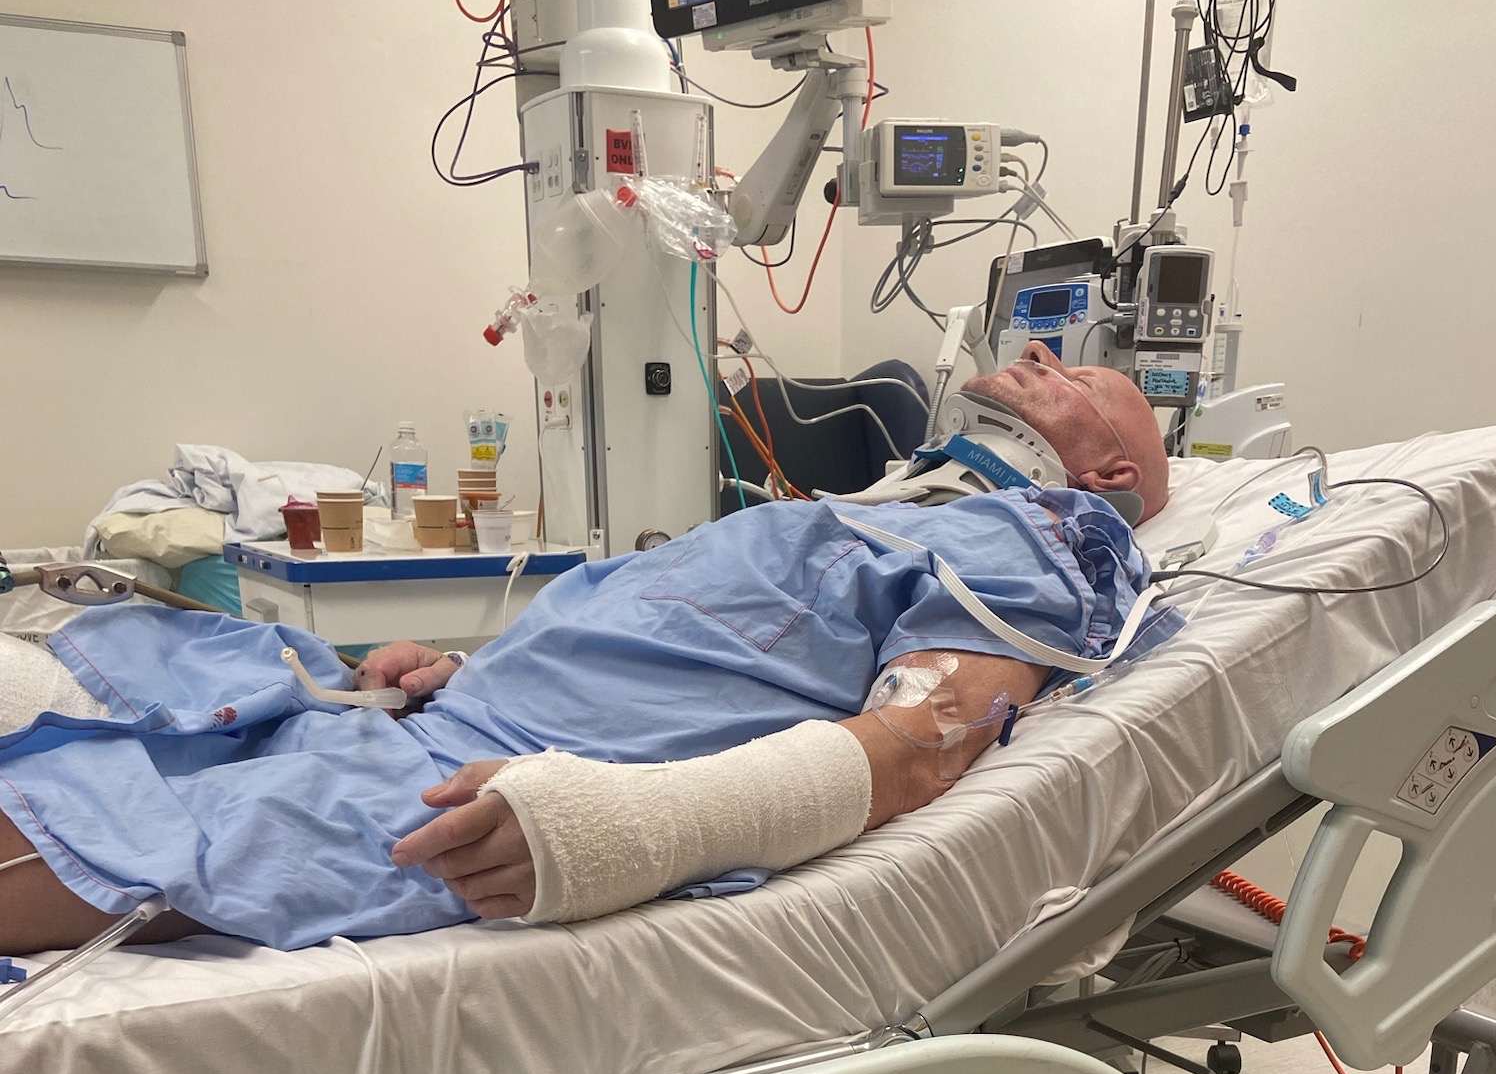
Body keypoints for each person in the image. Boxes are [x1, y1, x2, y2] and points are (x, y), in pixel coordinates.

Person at [0, 345, 1171, 956]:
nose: (1039, 357)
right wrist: (456, 673)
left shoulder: (1034, 536)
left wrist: (631, 825)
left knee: (108, 829)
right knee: (134, 653)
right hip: (407, 717)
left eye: (1078, 379)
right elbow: (682, 642)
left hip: (465, 786)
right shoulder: (884, 504)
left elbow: (923, 743)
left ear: (1111, 471)